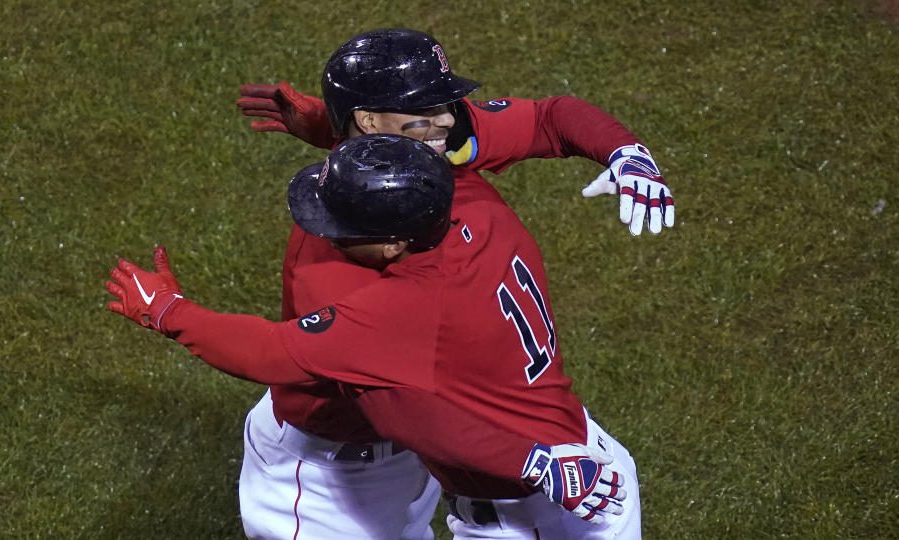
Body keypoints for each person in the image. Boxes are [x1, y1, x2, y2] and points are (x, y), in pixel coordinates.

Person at [234, 28, 671, 538]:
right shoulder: (335, 258)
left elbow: (547, 118)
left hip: (448, 460)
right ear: (370, 120)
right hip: (329, 474)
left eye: (444, 102)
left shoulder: (436, 161)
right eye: (424, 107)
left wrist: (626, 152)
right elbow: (399, 407)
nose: (448, 118)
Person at [105, 134, 641, 539]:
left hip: (536, 497)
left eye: (346, 227)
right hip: (578, 453)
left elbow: (267, 350)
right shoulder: (480, 209)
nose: (325, 233)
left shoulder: (390, 315)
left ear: (392, 244)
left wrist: (168, 311)